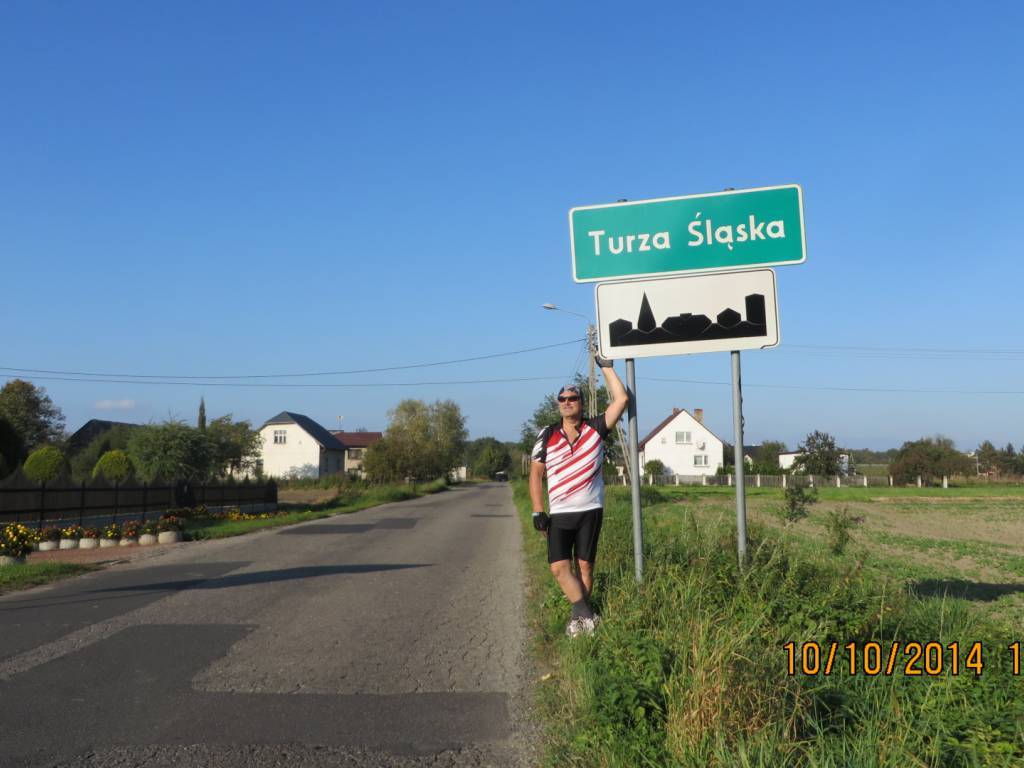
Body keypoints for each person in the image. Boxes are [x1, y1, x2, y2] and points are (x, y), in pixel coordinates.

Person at [529, 350, 629, 637]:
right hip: (560, 513)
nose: (567, 403)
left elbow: (621, 400)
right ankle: (585, 613)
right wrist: (538, 510)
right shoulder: (547, 435)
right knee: (559, 568)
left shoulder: (595, 428)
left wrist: (606, 367)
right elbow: (536, 474)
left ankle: (580, 622)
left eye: (572, 398)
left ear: (581, 403)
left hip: (590, 510)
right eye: (562, 399)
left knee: (584, 567)